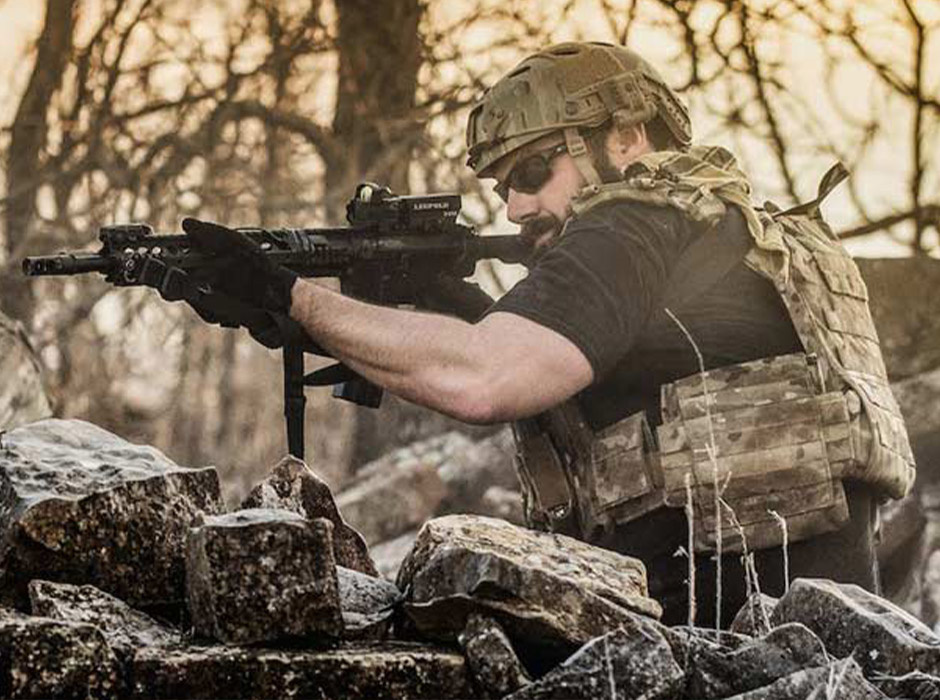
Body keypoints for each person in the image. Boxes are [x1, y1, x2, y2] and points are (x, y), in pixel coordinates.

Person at [180, 42, 915, 627]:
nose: (518, 206)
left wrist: (292, 298)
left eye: (535, 170)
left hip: (727, 642)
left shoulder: (627, 223)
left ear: (625, 137)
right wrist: (454, 308)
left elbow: (485, 379)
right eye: (503, 187)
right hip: (820, 629)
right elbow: (617, 370)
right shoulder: (734, 230)